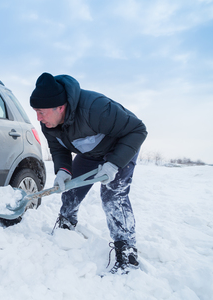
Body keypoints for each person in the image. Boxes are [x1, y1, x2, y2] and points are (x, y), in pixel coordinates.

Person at [30, 73, 147, 275]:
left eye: (41, 112)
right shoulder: (48, 123)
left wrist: (114, 163)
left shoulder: (95, 108)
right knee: (71, 189)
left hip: (120, 149)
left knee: (113, 196)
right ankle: (66, 225)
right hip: (90, 153)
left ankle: (127, 252)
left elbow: (138, 129)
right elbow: (59, 149)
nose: (38, 118)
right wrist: (63, 170)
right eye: (36, 112)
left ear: (60, 107)